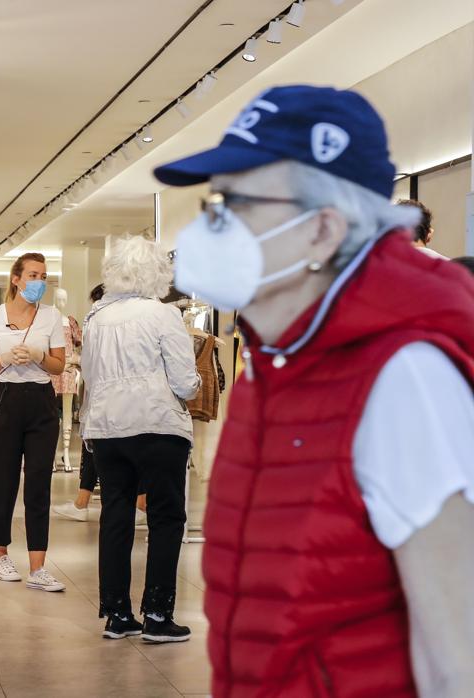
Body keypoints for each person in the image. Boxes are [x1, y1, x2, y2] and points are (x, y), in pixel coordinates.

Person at [155, 85, 474, 695]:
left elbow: (458, 655)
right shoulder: (273, 368)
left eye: (241, 204)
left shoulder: (405, 378)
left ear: (323, 229)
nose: (213, 227)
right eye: (215, 203)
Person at [80, 236, 200, 643]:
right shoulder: (162, 315)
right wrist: (195, 384)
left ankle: (117, 614)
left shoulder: (96, 318)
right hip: (157, 426)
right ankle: (158, 614)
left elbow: (90, 379)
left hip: (108, 428)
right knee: (166, 518)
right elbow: (184, 382)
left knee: (115, 516)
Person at [0, 253, 67, 593]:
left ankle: (38, 566)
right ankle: (0, 554)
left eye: (43, 275)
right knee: (2, 482)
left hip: (42, 402)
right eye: (33, 275)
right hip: (5, 400)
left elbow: (59, 365)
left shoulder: (52, 316)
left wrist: (41, 356)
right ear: (16, 279)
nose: (39, 282)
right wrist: (3, 358)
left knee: (39, 484)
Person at [52, 283, 146, 528]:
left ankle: (137, 505)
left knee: (122, 451)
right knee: (91, 446)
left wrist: (79, 360)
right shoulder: (102, 325)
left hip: (121, 402)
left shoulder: (124, 326)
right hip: (101, 399)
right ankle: (83, 502)